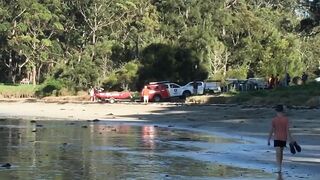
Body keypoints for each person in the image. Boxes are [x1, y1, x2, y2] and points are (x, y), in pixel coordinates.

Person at [267, 105, 293, 173]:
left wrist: (269, 139)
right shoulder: (286, 119)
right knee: (281, 153)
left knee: (278, 153)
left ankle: (279, 167)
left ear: (276, 111)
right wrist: (290, 139)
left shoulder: (274, 119)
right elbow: (288, 130)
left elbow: (271, 130)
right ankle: (280, 167)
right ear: (282, 111)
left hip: (277, 138)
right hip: (284, 138)